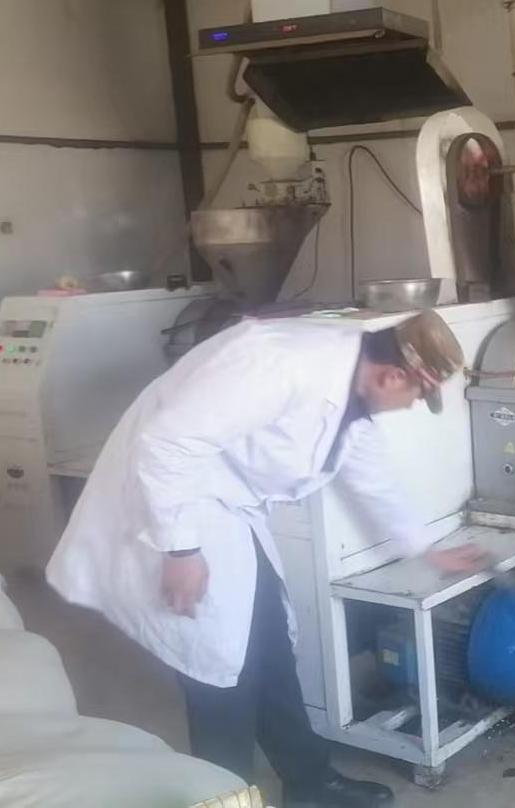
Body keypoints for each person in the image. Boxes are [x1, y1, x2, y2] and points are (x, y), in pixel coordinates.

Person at [47, 310, 485, 807]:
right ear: (393, 376)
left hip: (224, 506)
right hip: (175, 502)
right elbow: (166, 444)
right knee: (220, 673)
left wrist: (423, 548)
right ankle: (222, 797)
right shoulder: (280, 365)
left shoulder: (350, 380)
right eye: (416, 397)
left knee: (270, 643)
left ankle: (309, 783)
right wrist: (181, 548)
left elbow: (369, 474)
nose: (410, 406)